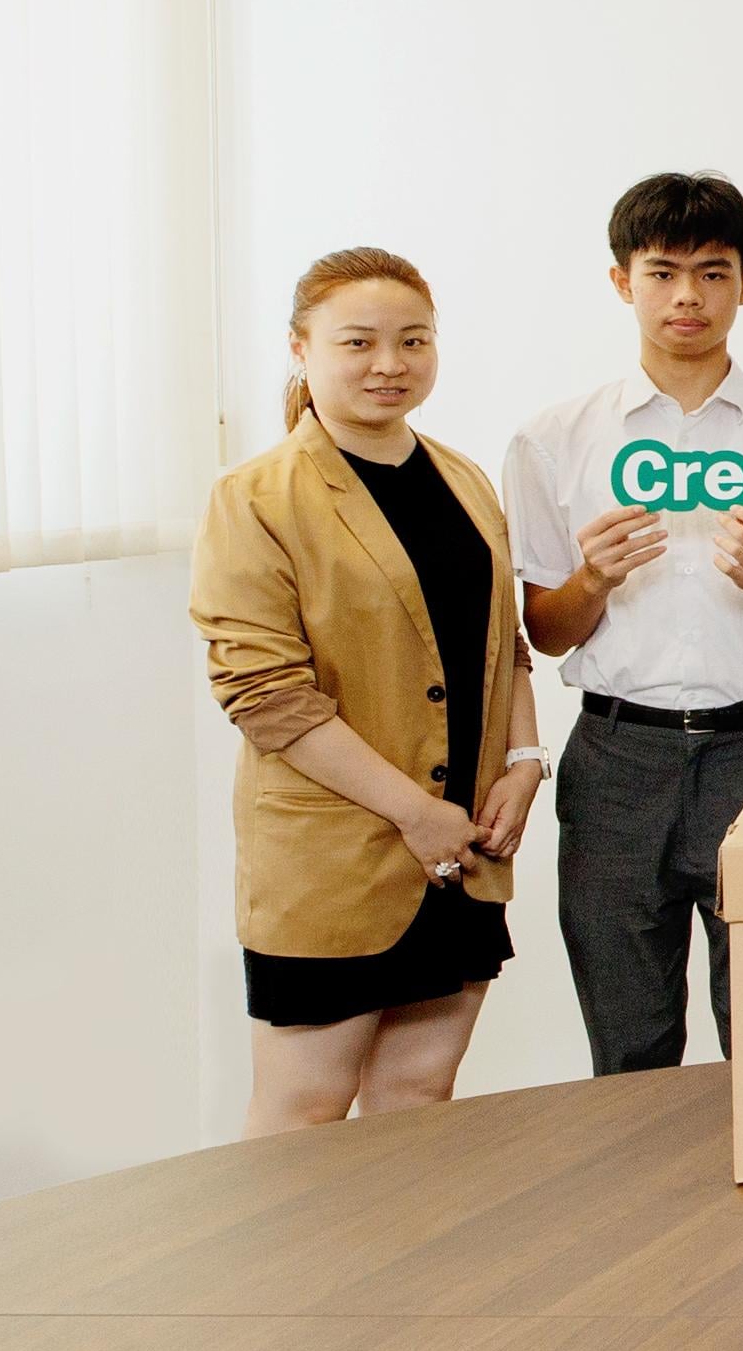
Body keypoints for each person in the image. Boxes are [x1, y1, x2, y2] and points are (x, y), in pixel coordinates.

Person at [504, 174, 743, 1073]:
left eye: (712, 273)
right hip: (614, 758)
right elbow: (546, 632)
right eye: (662, 272)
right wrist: (594, 578)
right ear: (621, 281)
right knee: (626, 1046)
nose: (687, 297)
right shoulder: (553, 440)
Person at [194, 249, 547, 1133]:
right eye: (359, 342)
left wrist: (524, 761)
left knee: (420, 1096)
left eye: (413, 341)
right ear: (300, 348)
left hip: (463, 848)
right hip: (336, 855)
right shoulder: (256, 496)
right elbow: (266, 696)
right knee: (306, 1105)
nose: (390, 364)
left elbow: (503, 646)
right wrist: (414, 812)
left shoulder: (464, 479)